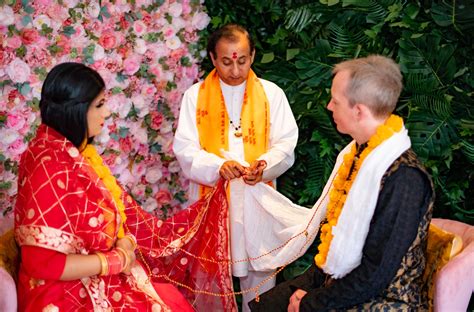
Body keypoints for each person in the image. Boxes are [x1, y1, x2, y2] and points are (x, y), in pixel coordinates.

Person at [14, 62, 234, 311]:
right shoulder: (50, 165)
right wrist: (113, 261)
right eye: (99, 105)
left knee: (171, 298)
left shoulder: (71, 152)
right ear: (74, 111)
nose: (106, 113)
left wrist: (125, 243)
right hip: (65, 295)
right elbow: (40, 264)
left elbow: (112, 216)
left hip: (92, 277)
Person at [249, 55, 434, 311]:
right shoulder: (360, 154)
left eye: (335, 101)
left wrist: (311, 303)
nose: (328, 106)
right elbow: (339, 242)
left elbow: (375, 276)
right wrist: (308, 287)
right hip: (342, 282)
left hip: (385, 301)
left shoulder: (404, 178)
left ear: (358, 111)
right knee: (265, 305)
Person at [173, 23, 298, 311]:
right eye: (227, 61)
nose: (235, 69)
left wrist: (264, 165)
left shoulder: (271, 94)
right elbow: (185, 148)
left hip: (257, 196)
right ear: (213, 59)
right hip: (213, 198)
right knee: (210, 271)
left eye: (242, 60)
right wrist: (219, 166)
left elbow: (286, 143)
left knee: (260, 271)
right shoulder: (195, 96)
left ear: (252, 55)